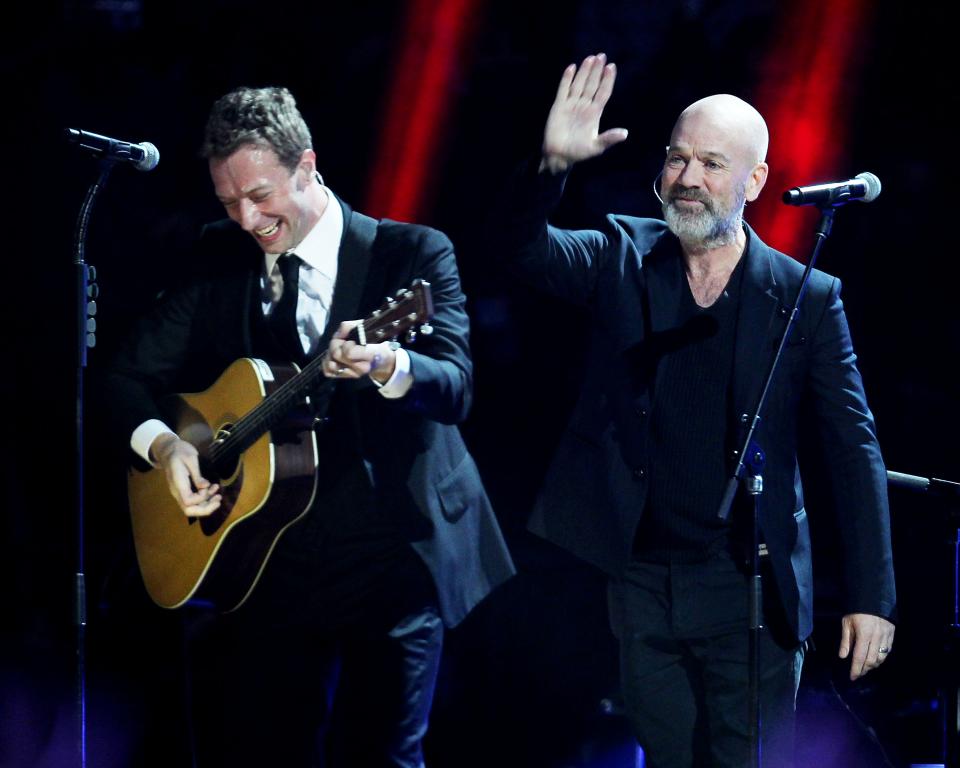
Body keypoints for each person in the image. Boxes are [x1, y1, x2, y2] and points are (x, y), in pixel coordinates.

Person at [496, 54, 896, 767]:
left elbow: (851, 446)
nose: (687, 178)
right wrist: (550, 168)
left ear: (754, 182)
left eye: (711, 163)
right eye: (677, 158)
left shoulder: (802, 295)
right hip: (645, 580)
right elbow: (519, 251)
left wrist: (872, 595)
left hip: (752, 582)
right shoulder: (621, 254)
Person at [103, 85, 514, 768]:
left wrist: (387, 361)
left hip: (394, 552)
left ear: (307, 166)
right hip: (268, 561)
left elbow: (456, 385)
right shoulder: (220, 259)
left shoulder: (409, 255)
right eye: (228, 201)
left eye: (260, 195)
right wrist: (167, 444)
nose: (247, 218)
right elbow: (121, 375)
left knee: (381, 757)